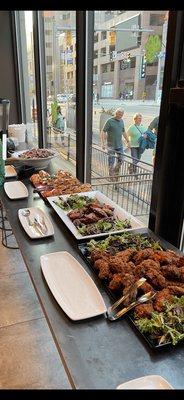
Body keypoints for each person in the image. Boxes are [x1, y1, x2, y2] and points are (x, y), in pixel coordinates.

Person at [101, 108, 130, 177]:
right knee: (111, 161)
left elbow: (123, 132)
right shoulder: (110, 121)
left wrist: (128, 141)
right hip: (110, 145)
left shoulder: (122, 121)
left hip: (119, 145)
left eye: (121, 115)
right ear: (116, 113)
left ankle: (115, 171)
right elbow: (103, 131)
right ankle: (111, 175)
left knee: (122, 159)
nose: (120, 116)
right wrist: (103, 143)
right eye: (119, 114)